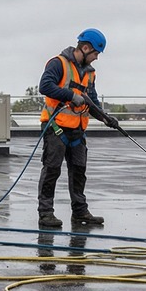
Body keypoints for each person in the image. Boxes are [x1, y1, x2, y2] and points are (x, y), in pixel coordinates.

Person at [36, 28, 120, 230]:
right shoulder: (58, 63)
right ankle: (46, 213)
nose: (96, 58)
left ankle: (80, 211)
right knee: (52, 170)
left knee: (79, 171)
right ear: (85, 48)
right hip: (55, 128)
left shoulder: (90, 73)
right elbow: (45, 86)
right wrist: (70, 96)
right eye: (95, 54)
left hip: (77, 131)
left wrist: (106, 118)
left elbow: (92, 101)